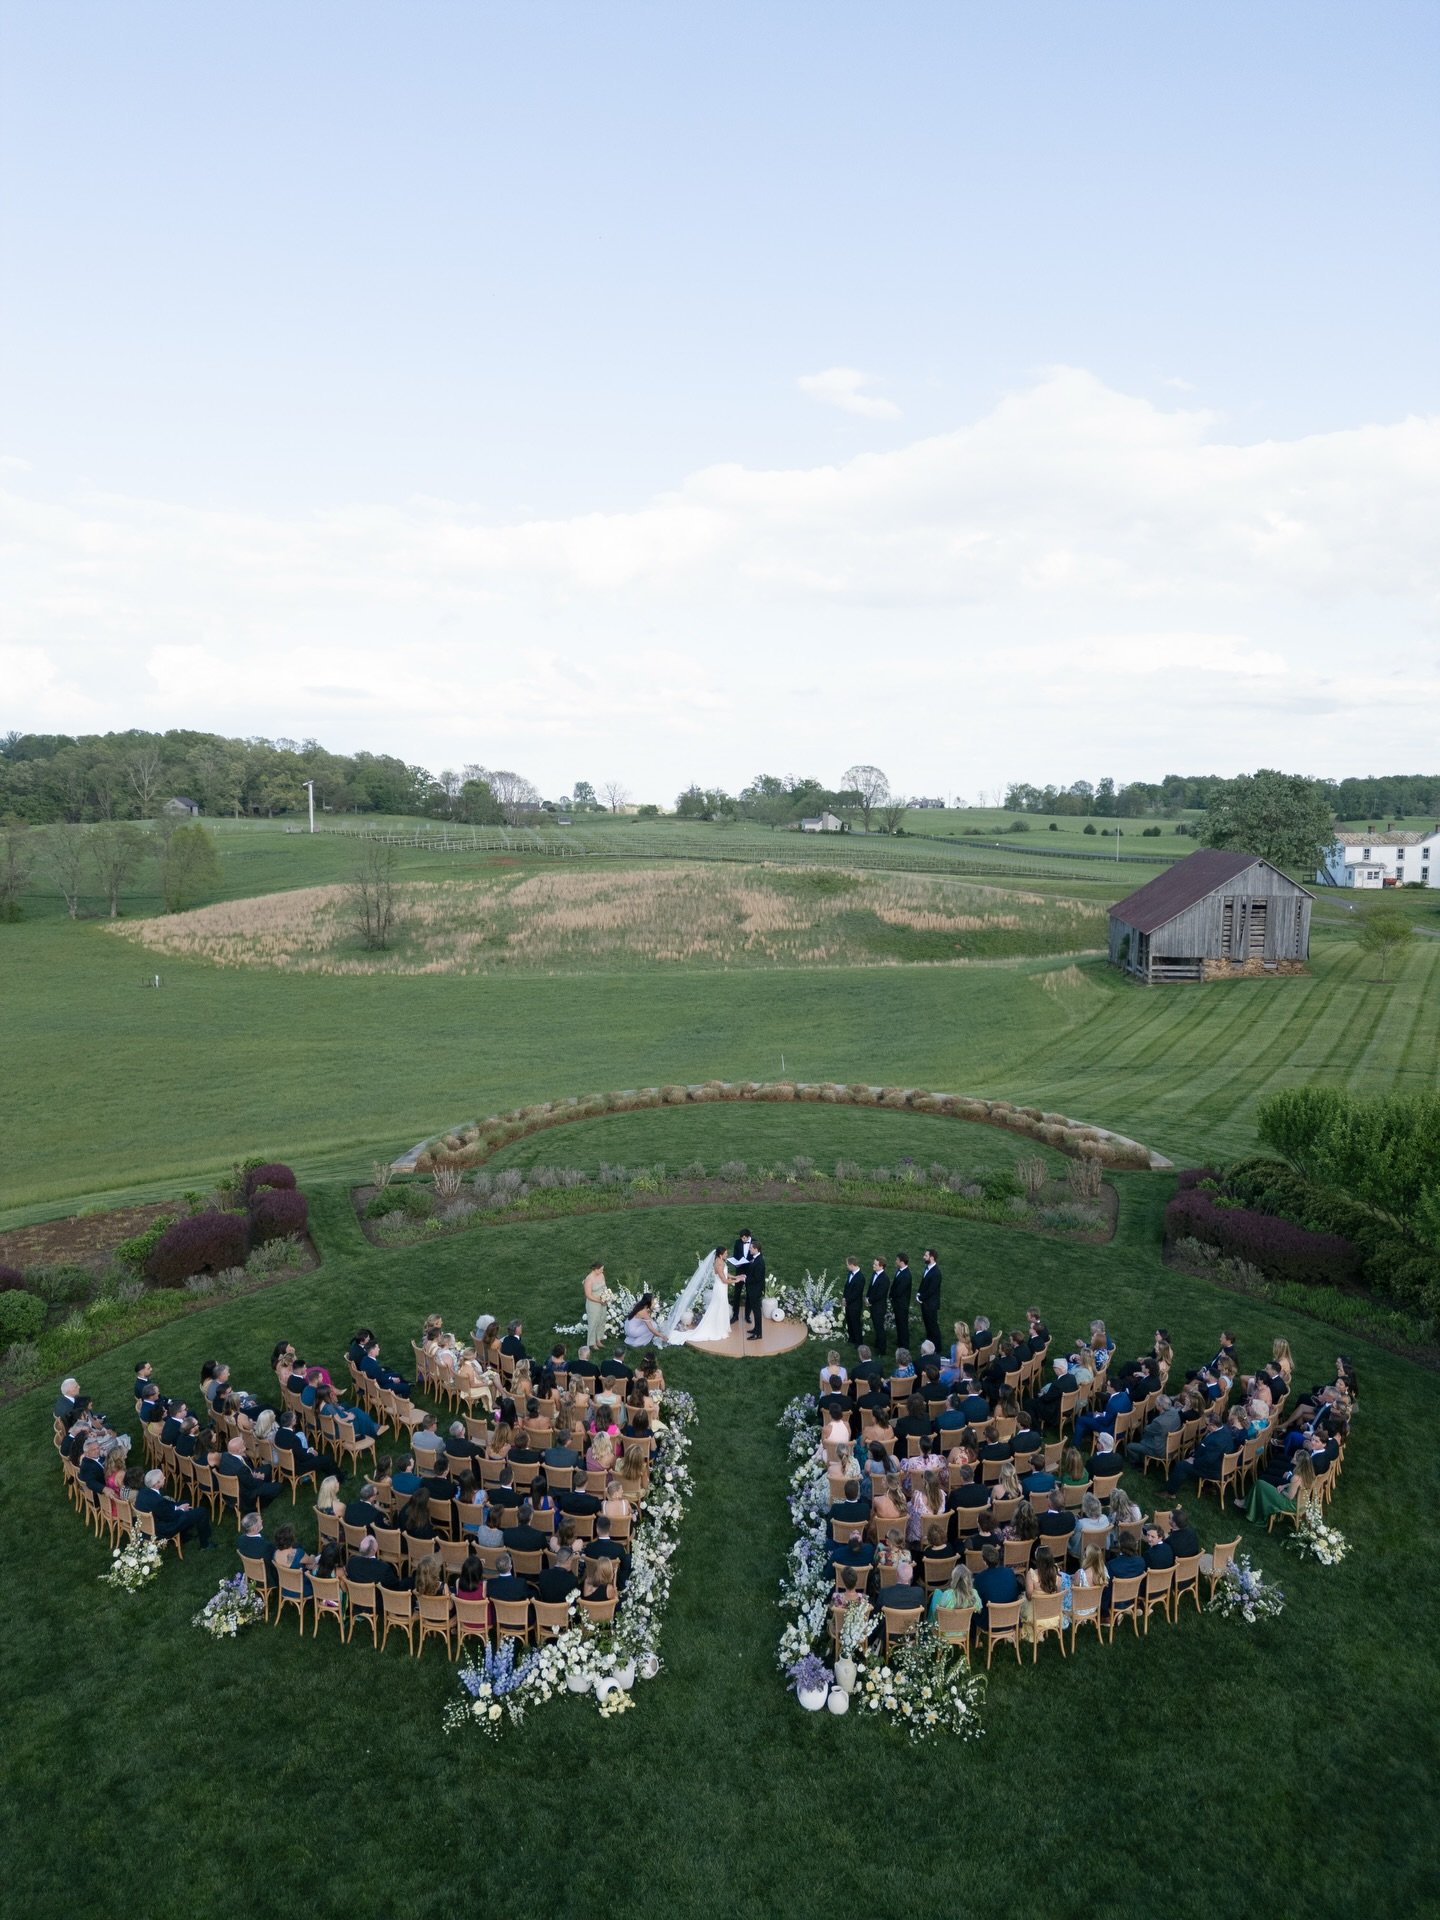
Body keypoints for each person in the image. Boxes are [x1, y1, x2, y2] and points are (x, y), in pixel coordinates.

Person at [136, 1468, 214, 1548]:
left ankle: (183, 1537)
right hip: (163, 1528)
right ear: (157, 1483)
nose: (165, 1478)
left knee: (186, 1502)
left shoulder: (143, 1491)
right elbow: (170, 1517)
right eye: (162, 1477)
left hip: (155, 1521)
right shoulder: (157, 1501)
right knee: (202, 1512)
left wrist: (178, 1507)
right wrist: (182, 1510)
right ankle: (205, 1544)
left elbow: (164, 1509)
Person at [1243, 1448, 1316, 1526]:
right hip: (1303, 1503)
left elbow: (1290, 1496)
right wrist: (1284, 1485)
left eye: (1295, 1458)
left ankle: (1251, 1509)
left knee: (1260, 1484)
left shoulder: (1296, 1477)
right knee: (1261, 1485)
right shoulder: (1309, 1473)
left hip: (1290, 1504)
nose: (1293, 1458)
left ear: (1299, 1463)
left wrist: (1281, 1490)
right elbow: (1297, 1486)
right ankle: (1248, 1504)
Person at [973, 1543, 1021, 1628]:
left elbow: (978, 1601)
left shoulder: (979, 1578)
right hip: (1012, 1618)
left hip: (990, 1622)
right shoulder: (1009, 1572)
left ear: (984, 1561)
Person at [928, 1561, 981, 1626]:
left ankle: (929, 1627)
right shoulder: (973, 1593)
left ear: (954, 1579)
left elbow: (937, 1615)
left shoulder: (948, 1594)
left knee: (937, 1593)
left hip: (945, 1632)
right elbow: (979, 1609)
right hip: (963, 1632)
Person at [918, 1250, 943, 1352]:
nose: (924, 1257)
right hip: (926, 1303)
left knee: (933, 1326)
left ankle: (937, 1347)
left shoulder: (936, 1273)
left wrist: (921, 1297)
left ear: (932, 1257)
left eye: (926, 1255)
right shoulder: (927, 1268)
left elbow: (931, 1290)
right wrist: (919, 1293)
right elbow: (924, 1283)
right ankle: (929, 1344)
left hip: (931, 1304)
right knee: (927, 1324)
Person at [889, 1255, 913, 1355]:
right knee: (899, 1323)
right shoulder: (900, 1271)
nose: (896, 1261)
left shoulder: (906, 1275)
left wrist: (892, 1296)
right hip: (897, 1303)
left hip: (901, 1304)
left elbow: (899, 1290)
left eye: (897, 1260)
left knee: (902, 1324)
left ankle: (904, 1345)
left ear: (902, 1262)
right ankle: (900, 1341)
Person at [582, 1263, 609, 1348]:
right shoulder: (589, 1279)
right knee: (593, 1322)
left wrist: (607, 1296)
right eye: (601, 1269)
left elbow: (604, 1286)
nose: (602, 1271)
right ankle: (592, 1343)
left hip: (603, 1300)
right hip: (593, 1303)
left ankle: (598, 1339)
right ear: (595, 1269)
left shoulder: (601, 1275)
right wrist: (599, 1301)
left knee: (601, 1320)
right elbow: (588, 1295)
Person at [867, 1259, 889, 1356]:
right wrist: (867, 1297)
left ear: (881, 1266)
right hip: (873, 1305)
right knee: (876, 1326)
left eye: (875, 1264)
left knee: (879, 1328)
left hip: (879, 1307)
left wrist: (869, 1300)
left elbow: (880, 1294)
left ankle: (882, 1350)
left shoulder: (884, 1279)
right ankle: (877, 1344)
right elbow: (871, 1288)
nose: (873, 1265)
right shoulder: (874, 1274)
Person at [842, 1259, 865, 1347]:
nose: (847, 1266)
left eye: (847, 1265)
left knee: (856, 1324)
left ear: (852, 1265)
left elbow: (856, 1293)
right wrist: (844, 1298)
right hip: (848, 1303)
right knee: (849, 1321)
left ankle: (858, 1342)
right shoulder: (850, 1274)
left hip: (855, 1305)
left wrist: (846, 1300)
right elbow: (846, 1287)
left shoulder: (860, 1277)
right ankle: (851, 1338)